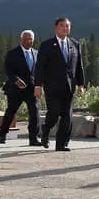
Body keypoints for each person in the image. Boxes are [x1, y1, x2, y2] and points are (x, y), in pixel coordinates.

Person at [34, 18, 86, 151]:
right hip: (52, 86)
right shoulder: (47, 45)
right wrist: (38, 85)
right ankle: (46, 128)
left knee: (67, 116)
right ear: (56, 28)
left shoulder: (75, 44)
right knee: (54, 112)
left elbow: (79, 66)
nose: (65, 28)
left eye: (67, 26)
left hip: (69, 86)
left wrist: (81, 84)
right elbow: (39, 67)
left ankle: (61, 145)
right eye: (62, 26)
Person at [0, 30, 40, 145]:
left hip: (31, 89)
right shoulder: (12, 53)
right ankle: (2, 133)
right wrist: (16, 80)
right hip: (16, 89)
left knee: (35, 112)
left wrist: (39, 85)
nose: (29, 41)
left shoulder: (37, 53)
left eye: (31, 39)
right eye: (26, 39)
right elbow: (8, 69)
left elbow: (39, 71)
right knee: (11, 111)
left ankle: (33, 138)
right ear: (21, 40)